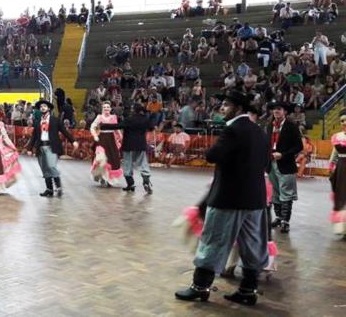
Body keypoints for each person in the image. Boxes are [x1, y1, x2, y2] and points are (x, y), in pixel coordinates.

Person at [175, 91, 269, 306]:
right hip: (255, 199)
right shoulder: (260, 131)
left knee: (214, 242)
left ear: (237, 108)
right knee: (252, 245)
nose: (221, 109)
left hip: (228, 198)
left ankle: (200, 287)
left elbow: (212, 156)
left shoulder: (233, 129)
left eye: (226, 105)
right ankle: (248, 290)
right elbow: (266, 164)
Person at [26, 99, 79, 197]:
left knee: (51, 166)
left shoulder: (55, 120)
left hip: (51, 147)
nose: (43, 108)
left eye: (45, 106)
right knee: (44, 169)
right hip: (41, 147)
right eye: (41, 106)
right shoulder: (37, 121)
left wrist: (73, 141)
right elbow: (34, 136)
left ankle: (58, 187)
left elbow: (64, 131)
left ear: (49, 108)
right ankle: (49, 189)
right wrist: (29, 148)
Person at [100, 103, 155, 194]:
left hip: (128, 145)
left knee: (127, 165)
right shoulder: (145, 119)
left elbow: (117, 126)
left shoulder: (129, 120)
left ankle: (131, 184)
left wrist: (103, 125)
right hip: (140, 145)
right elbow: (151, 128)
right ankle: (146, 181)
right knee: (143, 163)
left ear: (133, 110)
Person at [265, 102, 303, 234]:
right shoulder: (269, 125)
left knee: (286, 194)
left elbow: (299, 147)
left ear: (285, 111)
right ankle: (279, 218)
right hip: (271, 164)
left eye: (279, 109)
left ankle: (285, 222)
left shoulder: (291, 126)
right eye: (274, 109)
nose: (276, 111)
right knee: (275, 193)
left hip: (285, 164)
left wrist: (283, 155)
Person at [89, 101, 124, 188]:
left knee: (112, 159)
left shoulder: (113, 117)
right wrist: (95, 136)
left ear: (111, 109)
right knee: (101, 159)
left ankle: (109, 179)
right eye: (104, 107)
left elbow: (117, 129)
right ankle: (102, 177)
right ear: (102, 109)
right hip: (101, 140)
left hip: (111, 140)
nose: (106, 109)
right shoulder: (99, 117)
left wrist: (121, 138)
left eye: (108, 107)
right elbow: (92, 127)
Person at [328, 109, 346, 237]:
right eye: (342, 121)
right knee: (341, 197)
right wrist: (331, 166)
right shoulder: (337, 136)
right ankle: (342, 227)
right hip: (341, 168)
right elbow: (334, 154)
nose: (344, 122)